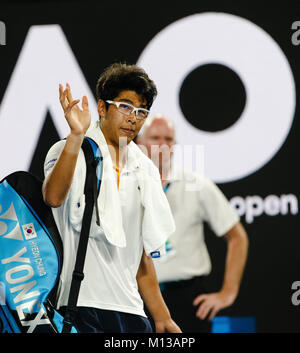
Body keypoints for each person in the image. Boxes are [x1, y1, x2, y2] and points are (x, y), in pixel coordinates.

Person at [42, 63, 181, 333]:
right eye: (125, 107)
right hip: (79, 306)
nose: (133, 118)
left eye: (141, 111)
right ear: (102, 108)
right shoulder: (69, 150)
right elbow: (53, 197)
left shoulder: (145, 169)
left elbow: (141, 256)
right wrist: (75, 136)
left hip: (131, 313)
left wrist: (162, 318)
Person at [136, 114, 249, 333]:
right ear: (140, 143)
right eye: (155, 137)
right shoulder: (126, 187)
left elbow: (237, 236)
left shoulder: (197, 185)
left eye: (168, 139)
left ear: (175, 145)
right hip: (139, 300)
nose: (162, 145)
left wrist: (228, 292)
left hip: (188, 299)